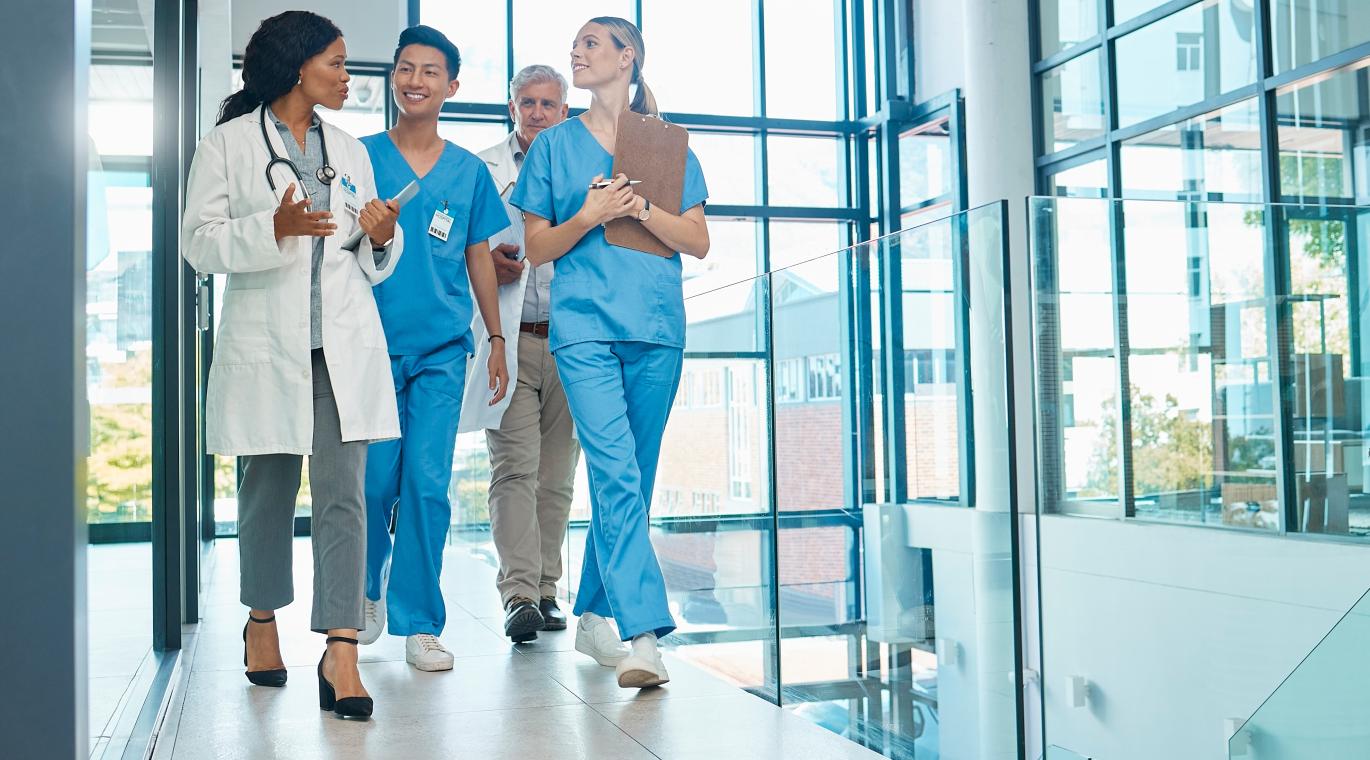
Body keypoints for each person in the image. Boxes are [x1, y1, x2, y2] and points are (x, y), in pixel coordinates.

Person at [182, 10, 402, 719]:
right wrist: (269, 227)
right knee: (267, 496)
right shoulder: (225, 146)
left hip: (340, 349)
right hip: (265, 347)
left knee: (345, 497)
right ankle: (262, 620)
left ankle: (341, 648)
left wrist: (380, 236)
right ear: (296, 64)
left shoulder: (351, 150)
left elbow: (370, 263)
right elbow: (199, 244)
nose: (347, 75)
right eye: (336, 63)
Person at [511, 16, 710, 689]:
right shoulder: (553, 148)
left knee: (633, 482)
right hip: (584, 329)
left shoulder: (665, 143)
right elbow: (537, 247)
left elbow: (697, 239)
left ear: (628, 57)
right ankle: (643, 634)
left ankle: (595, 608)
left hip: (656, 328)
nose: (578, 50)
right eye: (577, 44)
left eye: (592, 43)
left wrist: (642, 210)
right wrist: (590, 217)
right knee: (617, 475)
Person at [356, 25, 510, 673]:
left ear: (451, 86)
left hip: (444, 352)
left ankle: (420, 622)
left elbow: (480, 256)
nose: (414, 80)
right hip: (366, 347)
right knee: (369, 483)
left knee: (426, 483)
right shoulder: (360, 156)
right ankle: (364, 595)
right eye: (404, 69)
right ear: (393, 77)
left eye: (428, 71)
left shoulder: (468, 172)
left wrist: (497, 337)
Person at [459, 64, 577, 644]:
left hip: (571, 343)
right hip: (508, 338)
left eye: (548, 104)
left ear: (564, 110)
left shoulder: (585, 166)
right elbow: (457, 250)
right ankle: (520, 596)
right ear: (512, 108)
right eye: (526, 102)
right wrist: (480, 262)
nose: (536, 112)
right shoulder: (481, 169)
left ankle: (549, 589)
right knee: (514, 470)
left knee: (556, 477)